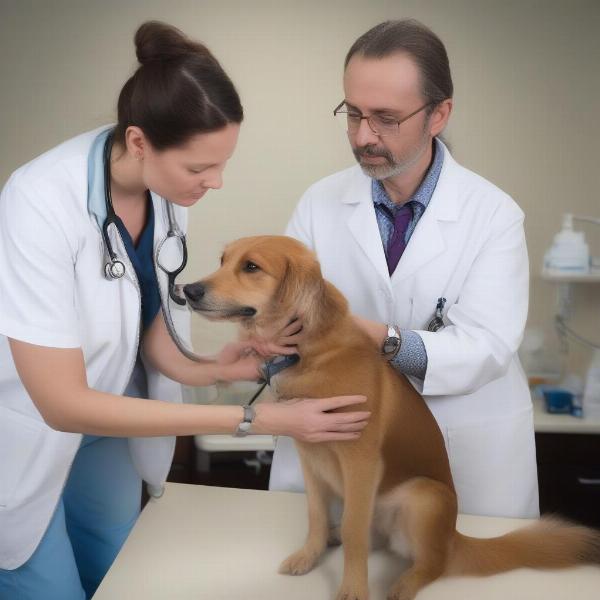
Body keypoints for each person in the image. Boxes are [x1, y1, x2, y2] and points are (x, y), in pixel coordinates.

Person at [0, 21, 370, 600]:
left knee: (121, 574)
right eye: (199, 169)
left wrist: (220, 368)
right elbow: (62, 403)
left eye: (221, 164)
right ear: (140, 141)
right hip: (35, 427)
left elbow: (143, 320)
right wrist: (259, 420)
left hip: (116, 425)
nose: (215, 183)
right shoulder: (38, 200)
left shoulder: (168, 196)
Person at [270, 19, 539, 521]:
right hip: (340, 434)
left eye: (386, 118)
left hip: (464, 443)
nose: (363, 136)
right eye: (353, 114)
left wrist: (380, 338)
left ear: (439, 114)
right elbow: (283, 321)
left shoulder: (493, 214)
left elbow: (485, 347)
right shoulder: (319, 203)